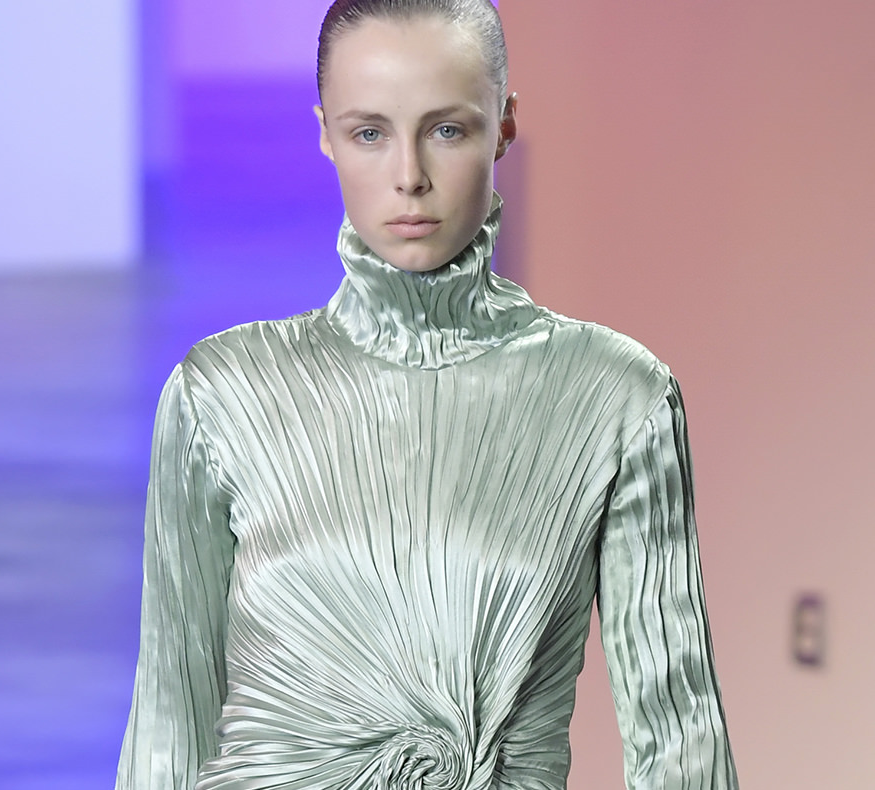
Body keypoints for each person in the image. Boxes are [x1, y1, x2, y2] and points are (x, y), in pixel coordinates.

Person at [116, 1, 739, 787]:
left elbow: (679, 739)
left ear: (503, 125)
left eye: (446, 129)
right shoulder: (221, 396)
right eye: (369, 133)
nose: (408, 176)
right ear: (325, 134)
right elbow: (168, 723)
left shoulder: (616, 399)